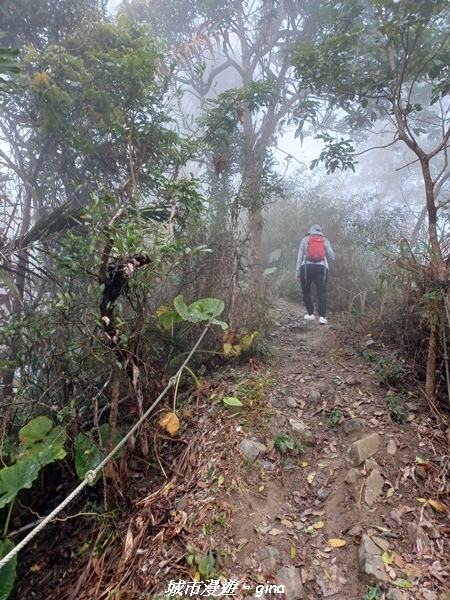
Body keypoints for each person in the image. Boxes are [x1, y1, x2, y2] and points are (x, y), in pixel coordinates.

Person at [296, 224, 335, 324]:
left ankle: (310, 314)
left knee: (306, 290)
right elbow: (332, 256)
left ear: (310, 231)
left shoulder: (305, 240)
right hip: (322, 268)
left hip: (306, 268)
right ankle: (322, 316)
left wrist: (297, 271)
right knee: (321, 291)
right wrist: (323, 257)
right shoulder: (325, 240)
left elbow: (300, 256)